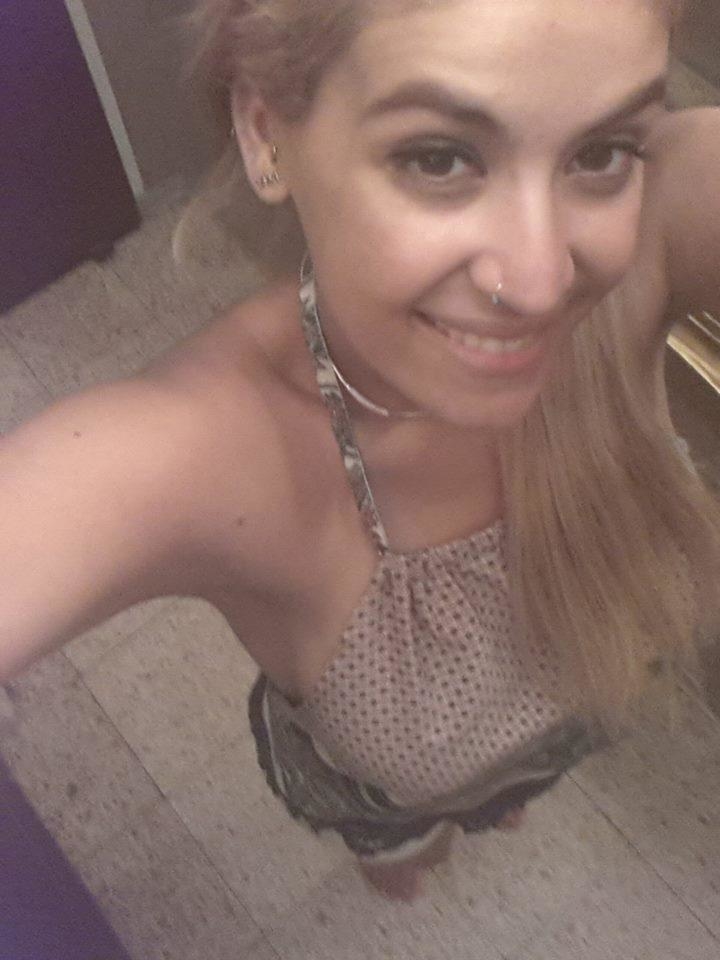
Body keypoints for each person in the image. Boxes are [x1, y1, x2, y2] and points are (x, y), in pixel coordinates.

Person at [2, 0, 719, 902]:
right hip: (395, 800)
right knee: (407, 852)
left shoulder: (666, 205)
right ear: (266, 131)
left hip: (572, 727)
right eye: (438, 157)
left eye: (603, 151)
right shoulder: (205, 452)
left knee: (505, 791)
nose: (542, 284)